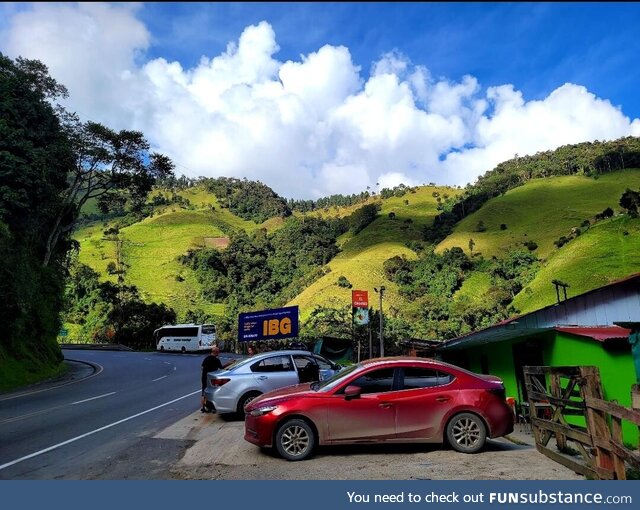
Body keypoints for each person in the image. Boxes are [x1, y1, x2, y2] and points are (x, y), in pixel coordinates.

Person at [200, 345, 222, 413]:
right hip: (211, 378)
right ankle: (211, 407)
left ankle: (203, 407)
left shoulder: (206, 358)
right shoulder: (216, 359)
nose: (219, 353)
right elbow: (221, 367)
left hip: (204, 377)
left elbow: (202, 367)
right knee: (212, 392)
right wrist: (229, 363)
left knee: (204, 392)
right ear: (215, 352)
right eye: (218, 352)